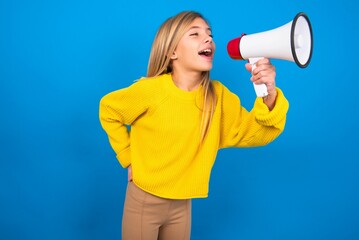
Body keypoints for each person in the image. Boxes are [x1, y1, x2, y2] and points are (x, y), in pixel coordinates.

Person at [99, 10, 289, 240]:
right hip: (144, 200)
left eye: (209, 33)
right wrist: (128, 157)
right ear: (172, 51)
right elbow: (108, 109)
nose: (208, 38)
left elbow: (256, 133)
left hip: (183, 203)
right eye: (195, 34)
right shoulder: (150, 91)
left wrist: (268, 93)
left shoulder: (217, 97)